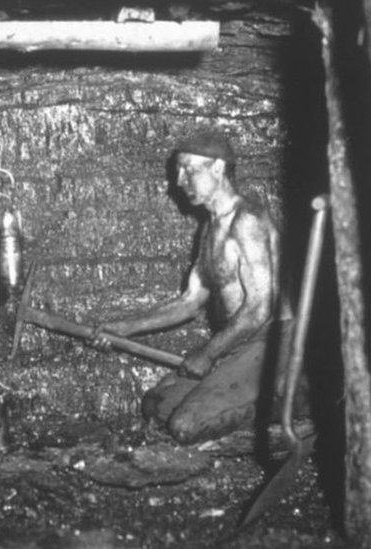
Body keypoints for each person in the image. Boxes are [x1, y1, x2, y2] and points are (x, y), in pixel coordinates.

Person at [94, 132, 294, 444]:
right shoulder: (210, 229)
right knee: (157, 405)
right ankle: (250, 393)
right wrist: (124, 328)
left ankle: (294, 396)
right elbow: (189, 302)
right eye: (178, 171)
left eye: (188, 169)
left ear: (217, 168)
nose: (179, 180)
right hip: (239, 345)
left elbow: (260, 307)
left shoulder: (248, 220)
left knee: (185, 426)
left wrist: (209, 352)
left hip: (274, 342)